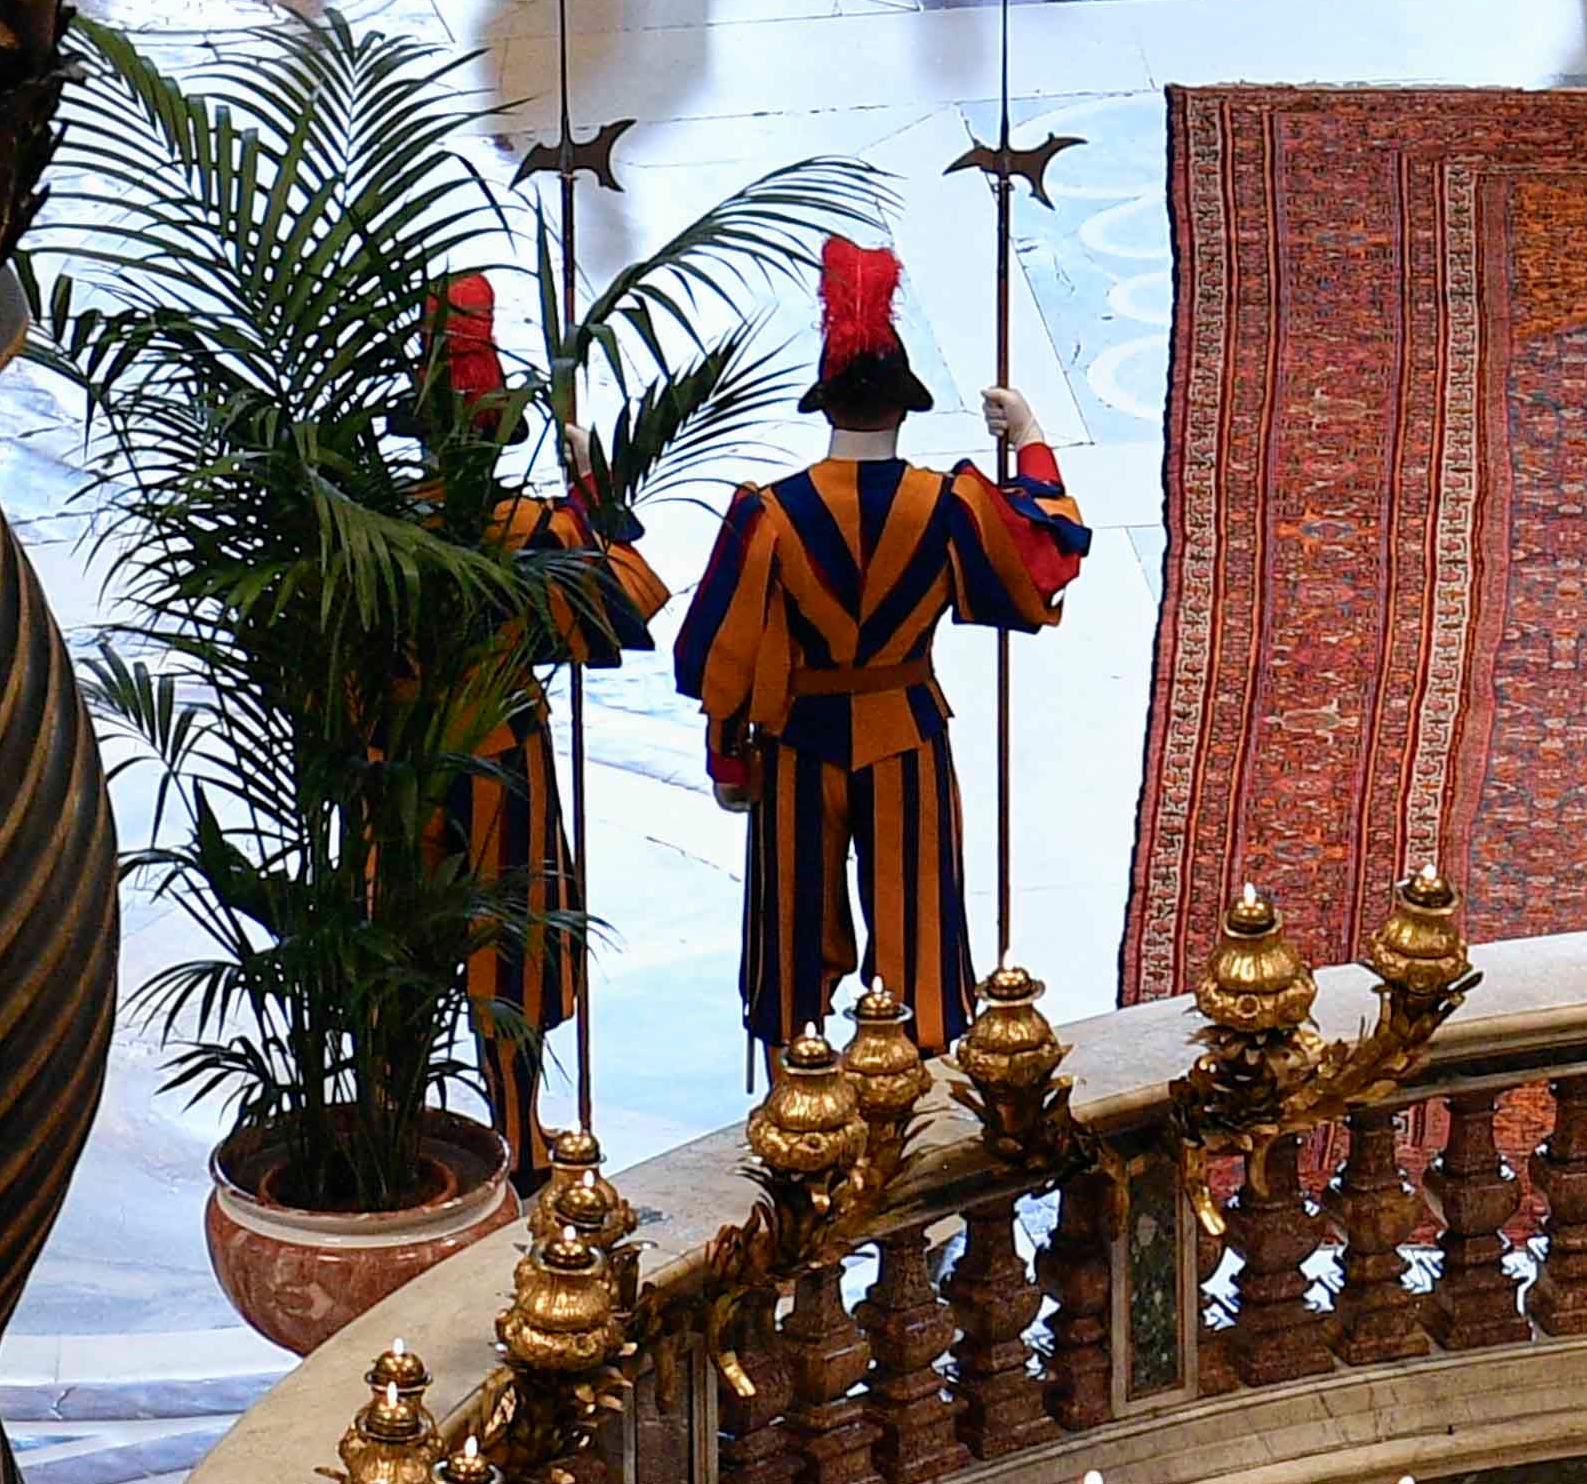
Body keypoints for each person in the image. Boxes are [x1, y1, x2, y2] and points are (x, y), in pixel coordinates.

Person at [676, 240, 1095, 1057]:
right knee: (922, 945)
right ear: (902, 407)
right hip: (907, 734)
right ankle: (924, 1118)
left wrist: (730, 764)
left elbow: (722, 658)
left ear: (824, 404)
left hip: (797, 744)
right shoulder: (947, 505)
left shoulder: (767, 513)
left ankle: (794, 1115)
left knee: (791, 942)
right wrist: (1032, 434)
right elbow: (1048, 551)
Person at [433, 270, 660, 1177]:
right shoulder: (535, 526)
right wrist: (589, 487)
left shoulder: (378, 520)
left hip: (398, 761)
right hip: (505, 757)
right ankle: (521, 1137)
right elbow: (629, 600)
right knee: (510, 961)